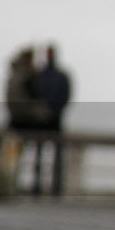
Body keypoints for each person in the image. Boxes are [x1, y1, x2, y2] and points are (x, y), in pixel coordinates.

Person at [30, 44, 72, 196]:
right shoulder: (40, 75)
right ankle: (37, 185)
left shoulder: (58, 76)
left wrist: (55, 111)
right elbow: (33, 95)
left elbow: (66, 95)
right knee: (38, 154)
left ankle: (56, 187)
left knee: (56, 154)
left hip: (55, 119)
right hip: (42, 120)